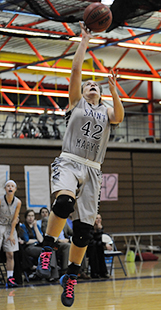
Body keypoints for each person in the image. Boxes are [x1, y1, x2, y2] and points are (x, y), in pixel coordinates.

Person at [36, 21, 124, 307]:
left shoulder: (106, 111)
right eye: (89, 85)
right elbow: (76, 71)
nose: (91, 87)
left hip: (93, 170)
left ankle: (70, 278)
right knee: (63, 204)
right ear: (82, 92)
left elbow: (119, 116)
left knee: (84, 232)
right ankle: (47, 247)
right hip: (70, 161)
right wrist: (84, 40)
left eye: (95, 86)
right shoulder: (77, 104)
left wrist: (113, 89)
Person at [0, 180, 21, 288]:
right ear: (5, 189)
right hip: (0, 225)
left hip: (9, 227)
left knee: (10, 254)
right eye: (8, 186)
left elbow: (14, 220)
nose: (10, 187)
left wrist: (11, 234)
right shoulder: (0, 200)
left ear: (15, 189)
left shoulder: (18, 202)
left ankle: (10, 277)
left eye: (12, 186)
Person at [87, 213, 112, 278]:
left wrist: (106, 244)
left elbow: (101, 238)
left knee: (100, 249)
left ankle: (103, 272)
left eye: (100, 218)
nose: (98, 220)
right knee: (94, 249)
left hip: (97, 245)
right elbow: (91, 240)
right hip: (90, 245)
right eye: (97, 218)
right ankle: (95, 272)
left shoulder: (100, 227)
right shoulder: (90, 228)